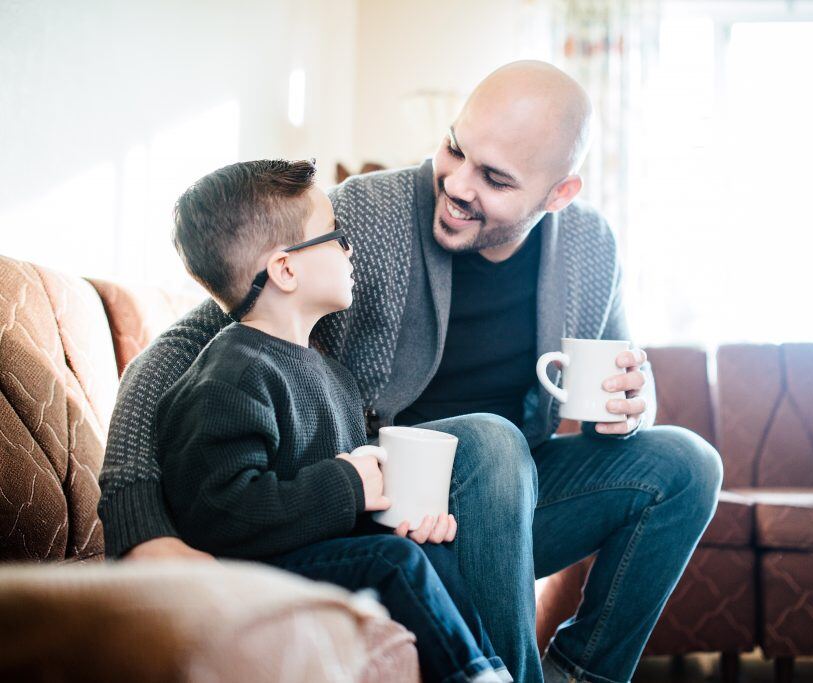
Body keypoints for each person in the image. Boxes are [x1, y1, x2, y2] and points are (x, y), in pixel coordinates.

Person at [100, 61, 723, 683]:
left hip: (509, 505)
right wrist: (141, 528)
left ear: (558, 194)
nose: (455, 183)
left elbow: (618, 388)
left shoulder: (591, 248)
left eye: (496, 179)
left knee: (690, 464)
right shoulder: (365, 218)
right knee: (493, 440)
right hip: (387, 505)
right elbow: (181, 350)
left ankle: (580, 674)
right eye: (455, 147)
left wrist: (632, 408)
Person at [150, 158, 509, 683]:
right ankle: (474, 675)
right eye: (333, 235)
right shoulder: (230, 374)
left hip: (310, 556)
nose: (349, 246)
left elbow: (334, 509)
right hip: (249, 571)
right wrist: (346, 484)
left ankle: (490, 666)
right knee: (395, 563)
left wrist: (396, 515)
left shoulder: (334, 378)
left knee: (422, 551)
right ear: (286, 269)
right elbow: (218, 514)